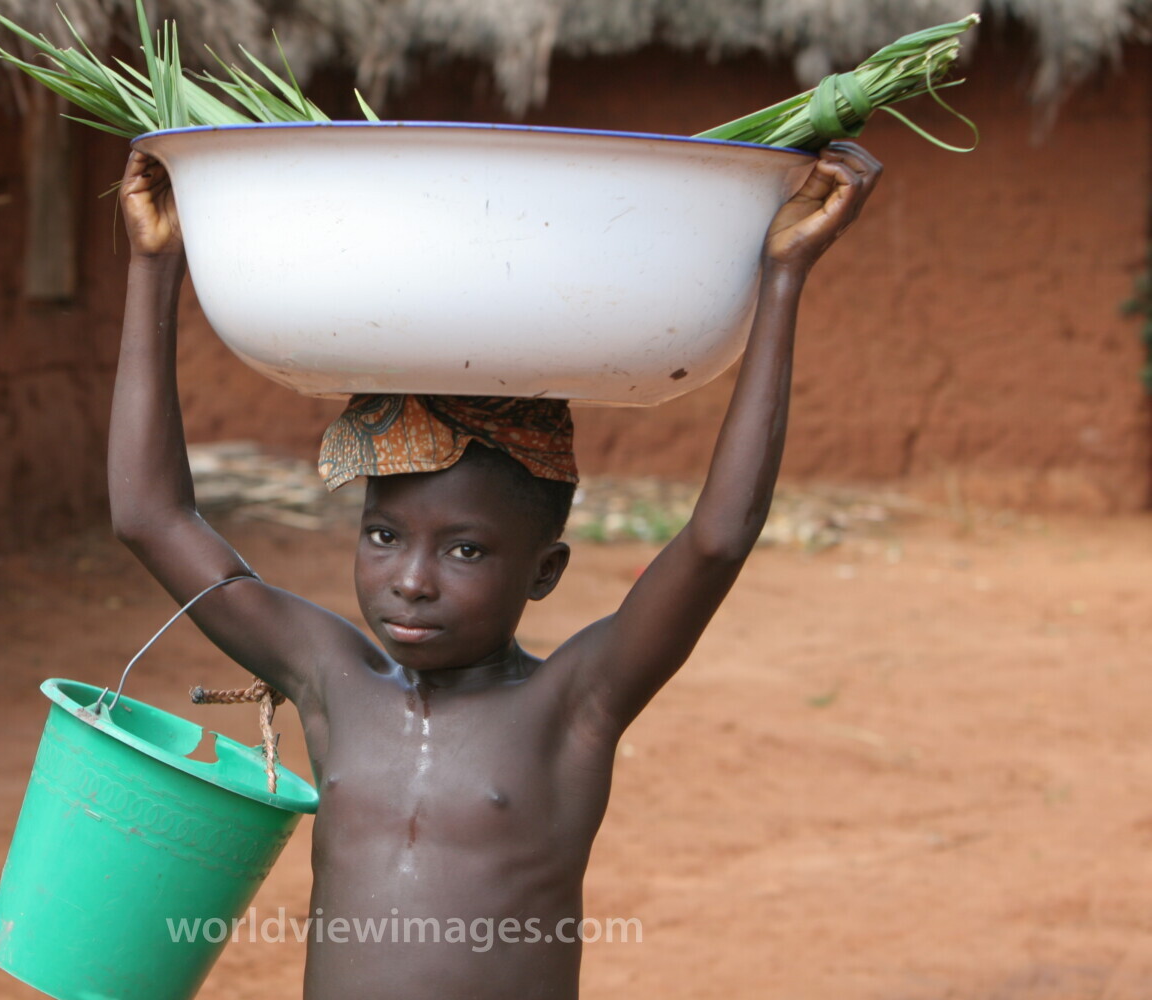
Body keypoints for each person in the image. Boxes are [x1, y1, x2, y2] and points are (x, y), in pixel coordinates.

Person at [109, 141, 881, 1000]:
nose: (411, 580)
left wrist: (780, 282)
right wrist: (155, 265)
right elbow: (151, 517)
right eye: (384, 536)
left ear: (544, 569)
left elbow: (716, 540)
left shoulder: (573, 705)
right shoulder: (330, 679)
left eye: (465, 550)